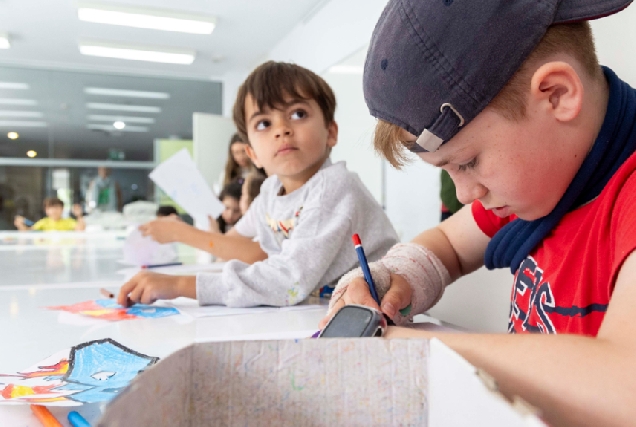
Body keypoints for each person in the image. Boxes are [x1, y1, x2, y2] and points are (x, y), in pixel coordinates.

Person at [321, 1, 636, 426]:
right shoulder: (541, 185)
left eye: (467, 162)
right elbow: (448, 245)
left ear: (557, 94)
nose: (467, 193)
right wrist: (392, 276)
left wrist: (409, 349)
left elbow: (623, 385)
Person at [117, 60, 398, 308]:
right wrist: (181, 236)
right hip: (318, 310)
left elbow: (287, 281)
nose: (282, 130)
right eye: (264, 123)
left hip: (378, 315)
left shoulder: (332, 188)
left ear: (331, 133)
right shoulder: (270, 191)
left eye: (298, 114)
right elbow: (244, 249)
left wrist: (178, 286)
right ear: (252, 154)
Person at [14, 197, 85, 231]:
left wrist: (79, 215)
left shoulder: (68, 222)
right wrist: (20, 225)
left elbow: (80, 229)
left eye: (57, 208)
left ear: (62, 209)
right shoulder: (44, 222)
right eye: (51, 208)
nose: (54, 211)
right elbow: (29, 231)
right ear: (46, 210)